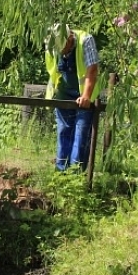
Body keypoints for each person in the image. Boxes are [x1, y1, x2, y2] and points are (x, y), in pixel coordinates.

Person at [44, 23, 102, 171]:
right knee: (64, 131)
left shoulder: (85, 40)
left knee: (81, 135)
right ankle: (61, 173)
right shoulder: (51, 42)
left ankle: (76, 175)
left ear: (70, 39)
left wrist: (86, 97)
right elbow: (53, 69)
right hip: (64, 92)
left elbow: (92, 69)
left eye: (62, 48)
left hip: (85, 96)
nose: (60, 52)